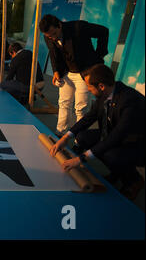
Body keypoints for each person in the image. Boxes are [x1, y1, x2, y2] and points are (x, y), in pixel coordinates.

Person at [50, 64, 145, 200]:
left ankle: (133, 180)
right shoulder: (107, 92)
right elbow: (89, 118)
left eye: (89, 86)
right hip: (116, 136)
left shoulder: (130, 101)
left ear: (101, 86)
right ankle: (117, 172)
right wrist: (66, 137)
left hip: (137, 144)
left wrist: (81, 158)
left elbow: (116, 136)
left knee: (111, 155)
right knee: (82, 137)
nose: (87, 89)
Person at [39, 14, 109, 137]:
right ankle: (60, 133)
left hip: (85, 72)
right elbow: (53, 52)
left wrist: (98, 57)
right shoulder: (49, 36)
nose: (53, 38)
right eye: (49, 36)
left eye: (54, 34)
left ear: (59, 25)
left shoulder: (78, 27)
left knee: (81, 107)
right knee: (64, 103)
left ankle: (79, 138)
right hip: (66, 72)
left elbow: (104, 31)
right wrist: (55, 71)